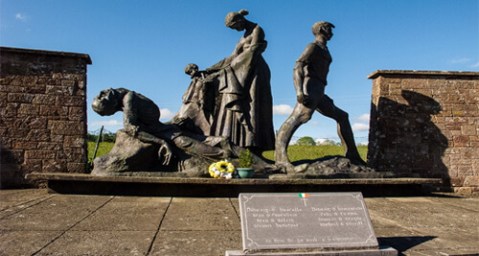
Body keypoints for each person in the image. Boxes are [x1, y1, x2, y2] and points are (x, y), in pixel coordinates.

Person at [275, 21, 366, 172]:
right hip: (311, 87)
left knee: (343, 116)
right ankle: (281, 159)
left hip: (320, 89)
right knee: (298, 118)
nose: (332, 32)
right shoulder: (313, 47)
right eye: (330, 29)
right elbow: (297, 66)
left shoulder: (323, 48)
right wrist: (299, 92)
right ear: (322, 29)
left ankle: (353, 155)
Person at [91, 88, 233, 164]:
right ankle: (221, 145)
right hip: (159, 128)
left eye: (106, 113)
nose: (109, 115)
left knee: (183, 142)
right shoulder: (123, 95)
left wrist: (162, 142)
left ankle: (223, 155)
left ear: (111, 105)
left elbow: (131, 128)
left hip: (159, 130)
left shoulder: (129, 100)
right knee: (186, 137)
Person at [205, 9, 275, 152]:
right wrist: (210, 70)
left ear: (239, 21)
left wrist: (226, 71)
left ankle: (252, 143)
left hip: (254, 72)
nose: (235, 30)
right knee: (231, 99)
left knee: (252, 105)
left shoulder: (257, 30)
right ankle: (236, 142)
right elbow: (232, 57)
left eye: (234, 27)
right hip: (241, 70)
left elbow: (252, 52)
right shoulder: (243, 37)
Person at [172, 63, 214, 135]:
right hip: (192, 102)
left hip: (201, 104)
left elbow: (206, 89)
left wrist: (205, 84)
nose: (190, 74)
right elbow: (189, 93)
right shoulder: (194, 80)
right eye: (189, 73)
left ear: (195, 69)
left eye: (190, 72)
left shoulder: (205, 76)